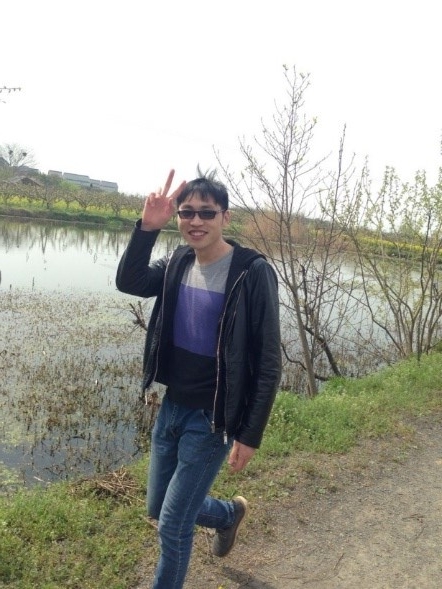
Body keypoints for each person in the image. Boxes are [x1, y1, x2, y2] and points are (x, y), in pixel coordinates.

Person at [116, 169, 281, 589]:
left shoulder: (251, 272)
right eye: (186, 212)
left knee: (173, 524)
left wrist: (250, 434)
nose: (196, 221)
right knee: (158, 507)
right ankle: (227, 515)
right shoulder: (177, 261)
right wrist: (147, 229)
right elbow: (130, 282)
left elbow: (267, 361)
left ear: (225, 217)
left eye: (207, 213)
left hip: (212, 419)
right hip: (172, 407)